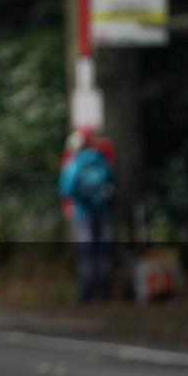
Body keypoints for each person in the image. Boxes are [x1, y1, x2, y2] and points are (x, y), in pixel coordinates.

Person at [59, 129, 117, 302]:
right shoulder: (101, 159)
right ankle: (105, 291)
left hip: (83, 213)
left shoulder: (75, 163)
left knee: (86, 252)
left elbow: (66, 189)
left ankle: (86, 293)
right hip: (103, 211)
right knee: (103, 251)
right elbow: (113, 183)